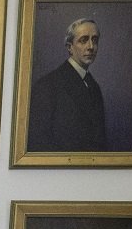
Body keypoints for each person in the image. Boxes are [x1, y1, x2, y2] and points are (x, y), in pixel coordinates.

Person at [26, 17, 107, 152]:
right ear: (70, 47)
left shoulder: (94, 86)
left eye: (95, 40)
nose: (91, 47)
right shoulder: (48, 86)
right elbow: (38, 142)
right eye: (84, 40)